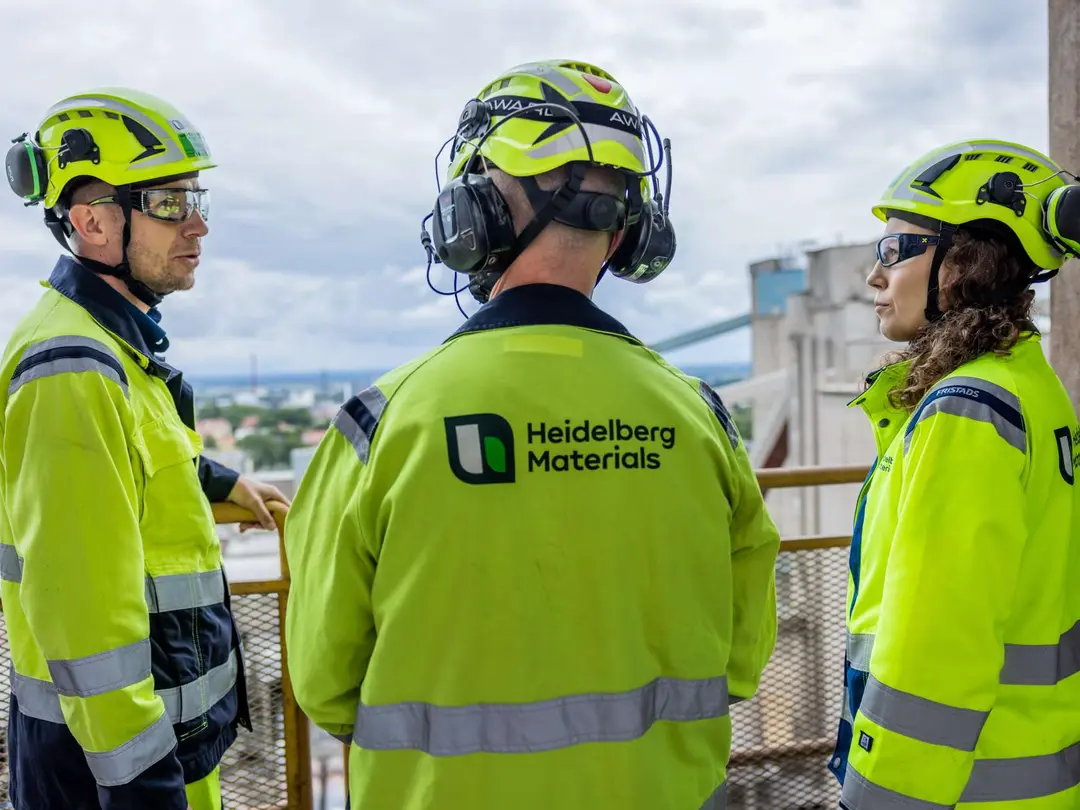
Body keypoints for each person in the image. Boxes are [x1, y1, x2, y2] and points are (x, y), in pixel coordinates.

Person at [284, 59, 781, 809]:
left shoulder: (381, 423)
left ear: (473, 213)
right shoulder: (700, 417)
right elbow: (742, 659)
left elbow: (324, 680)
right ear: (625, 231)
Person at [0, 88, 290, 810]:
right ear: (93, 221)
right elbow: (84, 617)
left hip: (159, 745)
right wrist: (142, 788)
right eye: (167, 203)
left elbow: (137, 468)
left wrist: (217, 482)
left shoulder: (116, 351)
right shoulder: (71, 370)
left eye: (196, 199)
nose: (197, 225)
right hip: (111, 767)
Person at [829, 139, 1080, 808]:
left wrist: (879, 799)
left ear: (963, 262)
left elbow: (933, 655)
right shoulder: (1027, 384)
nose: (875, 277)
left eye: (894, 250)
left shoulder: (969, 409)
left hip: (961, 791)